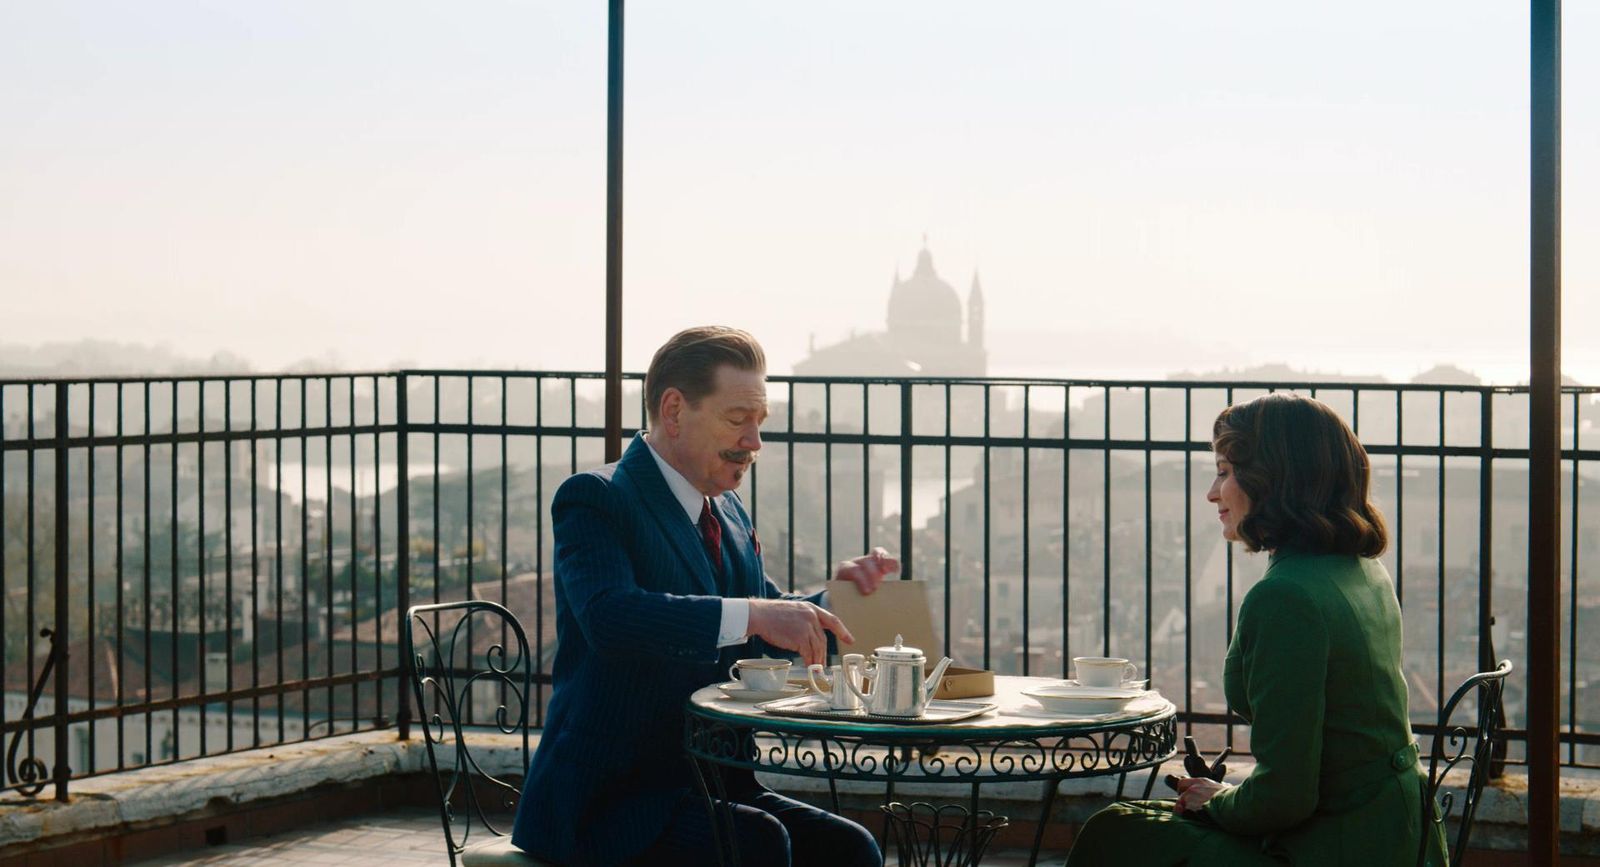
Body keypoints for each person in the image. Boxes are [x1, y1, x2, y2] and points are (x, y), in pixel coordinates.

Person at [511, 326, 890, 867]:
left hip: (714, 783)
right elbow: (610, 618)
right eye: (738, 420)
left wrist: (835, 603)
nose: (754, 442)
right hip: (610, 803)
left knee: (851, 850)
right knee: (757, 845)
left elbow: (759, 617)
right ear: (673, 411)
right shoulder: (595, 499)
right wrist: (756, 613)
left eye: (760, 423)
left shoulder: (728, 511)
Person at [1064, 393, 1448, 866]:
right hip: (1400, 832)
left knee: (1117, 832)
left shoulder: (1286, 597)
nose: (1211, 492)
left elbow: (1286, 798)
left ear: (1273, 480)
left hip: (1335, 846)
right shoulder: (1362, 571)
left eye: (1224, 472)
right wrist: (1226, 796)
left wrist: (1220, 801)